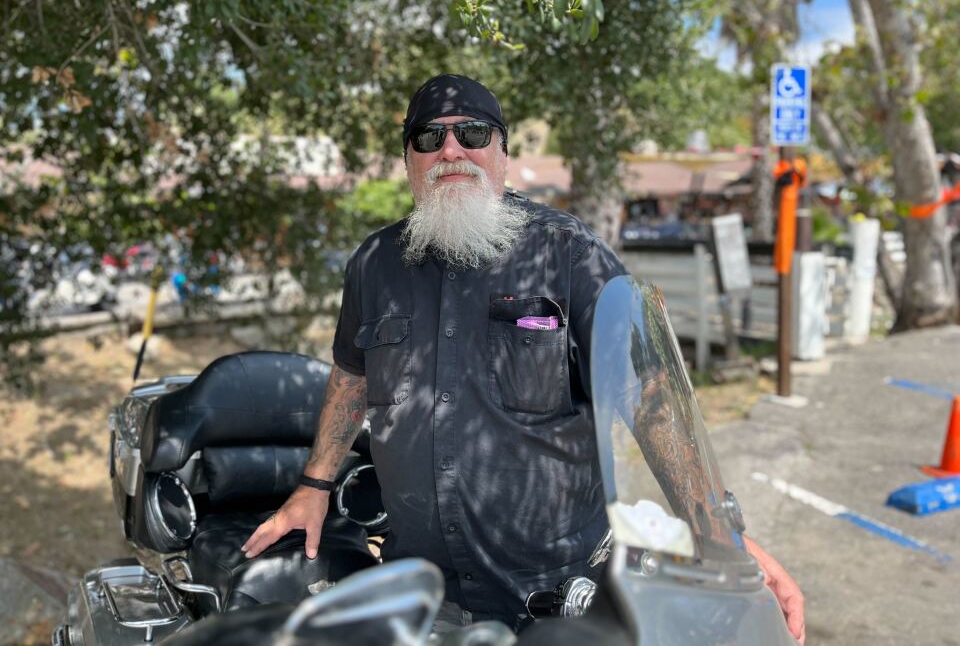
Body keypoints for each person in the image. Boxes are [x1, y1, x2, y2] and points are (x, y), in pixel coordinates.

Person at [241, 74, 805, 643]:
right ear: (409, 159)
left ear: (502, 152)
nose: (451, 151)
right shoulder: (373, 264)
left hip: (558, 604)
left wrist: (715, 531)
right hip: (422, 595)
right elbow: (352, 376)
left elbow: (649, 397)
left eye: (472, 133)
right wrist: (312, 489)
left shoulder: (569, 254)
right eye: (429, 138)